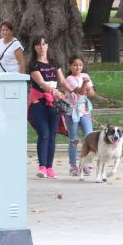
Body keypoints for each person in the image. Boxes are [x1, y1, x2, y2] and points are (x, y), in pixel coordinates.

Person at [27, 36, 72, 179]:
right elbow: (41, 83)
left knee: (52, 135)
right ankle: (42, 167)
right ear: (34, 47)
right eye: (38, 44)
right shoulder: (33, 64)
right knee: (44, 133)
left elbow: (62, 81)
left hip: (54, 102)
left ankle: (49, 167)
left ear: (47, 46)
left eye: (44, 44)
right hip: (38, 102)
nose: (41, 47)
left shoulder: (54, 63)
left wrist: (71, 91)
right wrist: (54, 91)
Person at [66, 55, 95, 176]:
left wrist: (88, 87)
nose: (78, 67)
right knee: (74, 140)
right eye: (75, 65)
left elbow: (92, 93)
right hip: (72, 111)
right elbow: (81, 92)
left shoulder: (85, 76)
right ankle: (73, 165)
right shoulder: (69, 79)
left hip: (85, 111)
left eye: (80, 65)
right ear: (70, 66)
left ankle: (85, 164)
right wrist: (85, 84)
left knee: (89, 137)